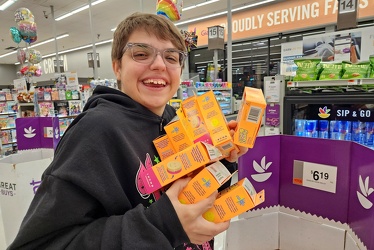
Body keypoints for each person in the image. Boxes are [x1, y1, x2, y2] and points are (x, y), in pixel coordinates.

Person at [8, 13, 247, 250]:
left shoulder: (173, 120)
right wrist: (163, 224)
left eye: (171, 57)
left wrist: (219, 159)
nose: (159, 64)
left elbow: (188, 189)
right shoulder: (96, 131)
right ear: (117, 67)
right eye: (141, 54)